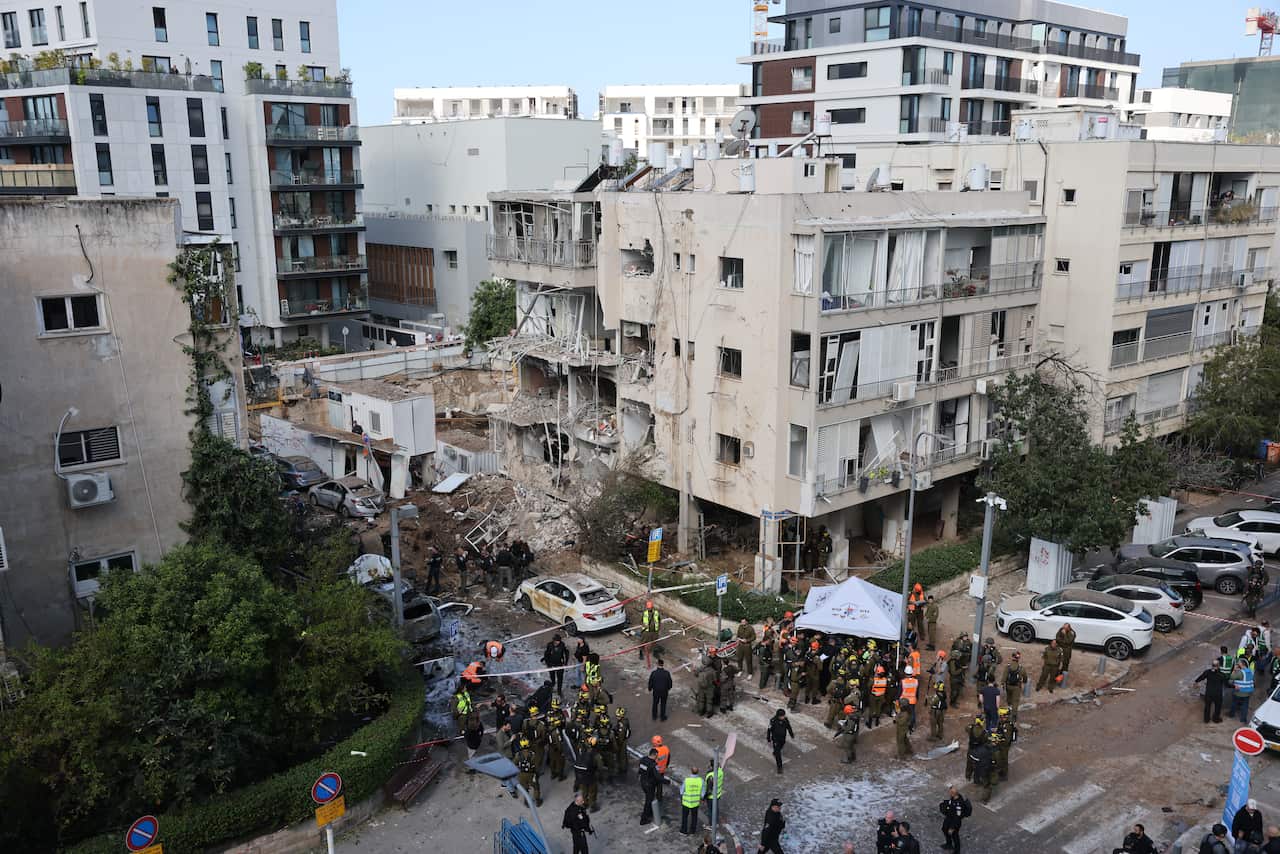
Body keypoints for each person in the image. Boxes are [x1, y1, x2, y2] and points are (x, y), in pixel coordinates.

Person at [1196, 659, 1229, 724]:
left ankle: (1206, 719)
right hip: (1218, 694)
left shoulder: (1207, 672)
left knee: (1207, 707)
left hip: (1209, 693)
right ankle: (1216, 719)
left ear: (1212, 665)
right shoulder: (1222, 674)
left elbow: (1201, 677)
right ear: (1219, 666)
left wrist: (1196, 681)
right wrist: (1234, 686)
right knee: (1217, 707)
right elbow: (1227, 684)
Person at [940, 785, 970, 852]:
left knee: (955, 836)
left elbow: (957, 818)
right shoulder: (953, 797)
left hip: (954, 822)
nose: (949, 793)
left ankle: (957, 851)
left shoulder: (959, 804)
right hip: (949, 818)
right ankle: (949, 844)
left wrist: (952, 828)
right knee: (944, 829)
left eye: (950, 792)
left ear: (954, 793)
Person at [767, 708, 796, 774]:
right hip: (775, 739)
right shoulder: (773, 721)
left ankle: (775, 752)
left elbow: (789, 727)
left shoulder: (785, 720)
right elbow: (769, 730)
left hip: (782, 738)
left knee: (780, 747)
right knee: (778, 753)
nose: (783, 717)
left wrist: (791, 734)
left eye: (784, 715)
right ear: (778, 716)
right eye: (782, 716)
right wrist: (768, 738)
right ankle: (779, 767)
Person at [638, 747, 662, 825]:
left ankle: (650, 812)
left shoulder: (643, 759)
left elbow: (640, 770)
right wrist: (667, 781)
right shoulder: (653, 764)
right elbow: (658, 776)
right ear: (654, 755)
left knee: (649, 799)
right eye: (656, 756)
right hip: (649, 785)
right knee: (648, 801)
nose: (657, 757)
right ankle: (644, 819)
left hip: (643, 782)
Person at [515, 736, 542, 807]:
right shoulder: (532, 754)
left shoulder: (518, 755)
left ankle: (526, 802)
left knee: (525, 788)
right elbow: (537, 765)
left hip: (521, 774)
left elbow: (515, 764)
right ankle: (537, 801)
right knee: (536, 787)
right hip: (531, 774)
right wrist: (537, 774)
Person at [680, 765, 704, 835]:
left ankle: (683, 831)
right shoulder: (701, 781)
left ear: (691, 771)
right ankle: (692, 831)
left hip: (686, 802)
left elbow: (681, 791)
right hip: (695, 803)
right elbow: (703, 793)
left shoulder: (686, 780)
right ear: (698, 772)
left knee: (684, 817)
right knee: (694, 818)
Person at [1233, 656, 1257, 725]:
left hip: (1239, 691)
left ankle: (1231, 714)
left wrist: (1234, 670)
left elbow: (1232, 678)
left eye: (1239, 663)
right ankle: (1243, 719)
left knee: (1234, 702)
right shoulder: (1250, 672)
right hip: (1248, 692)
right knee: (1245, 705)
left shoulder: (1239, 672)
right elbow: (1252, 682)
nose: (1238, 664)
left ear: (1242, 664)